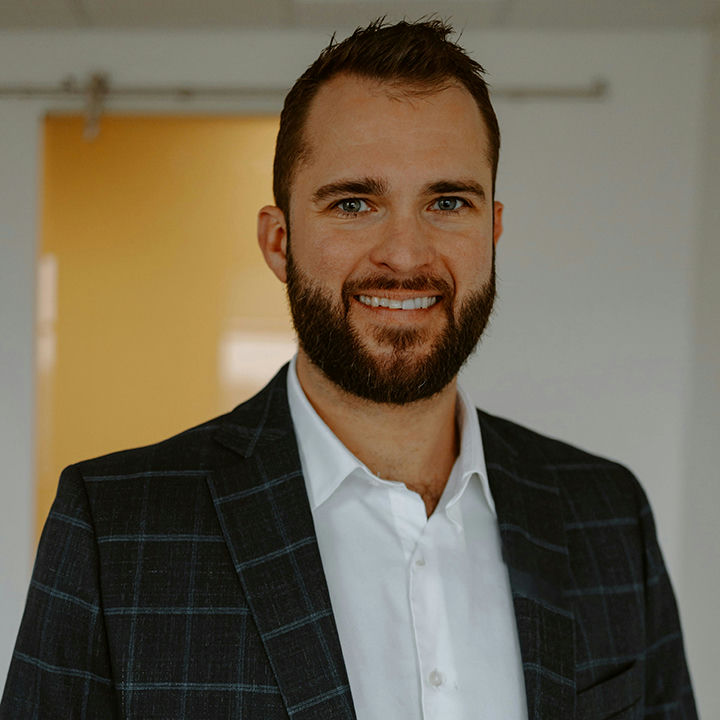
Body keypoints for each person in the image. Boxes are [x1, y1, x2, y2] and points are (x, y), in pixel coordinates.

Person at [1, 18, 697, 720]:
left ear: (493, 231)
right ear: (279, 242)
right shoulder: (116, 530)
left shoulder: (607, 516)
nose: (405, 254)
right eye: (354, 203)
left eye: (447, 202)